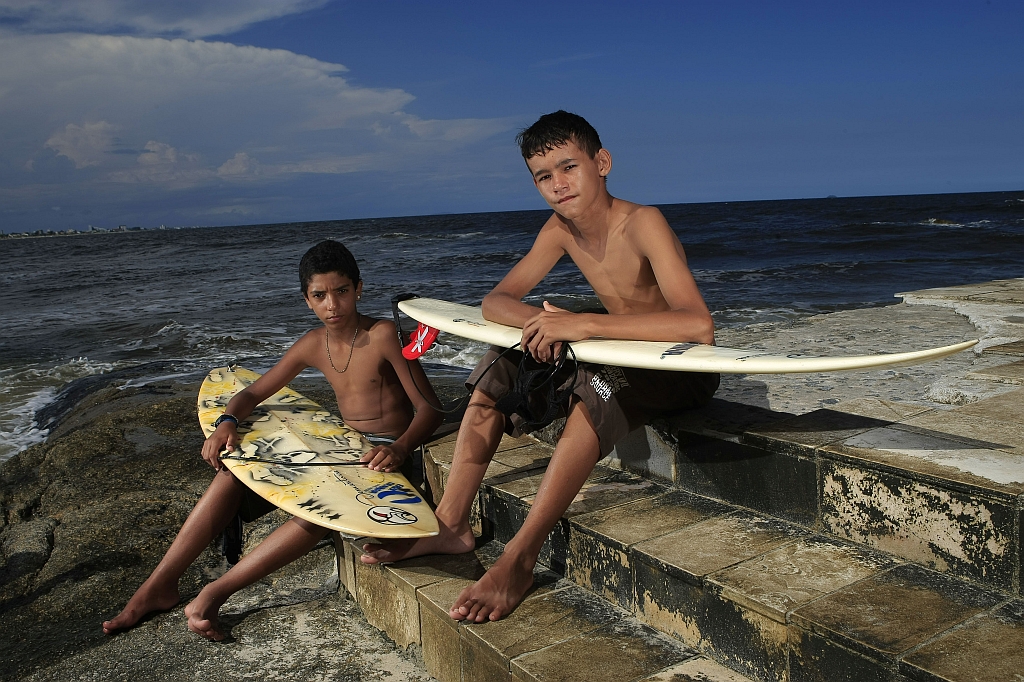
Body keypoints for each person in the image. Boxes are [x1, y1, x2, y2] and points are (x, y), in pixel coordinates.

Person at [360, 110, 719, 622]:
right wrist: (543, 324)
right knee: (501, 364)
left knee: (593, 391)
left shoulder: (643, 222)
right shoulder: (560, 229)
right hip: (613, 348)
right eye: (543, 176)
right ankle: (451, 523)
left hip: (677, 368)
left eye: (569, 167)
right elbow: (496, 301)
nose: (557, 185)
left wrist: (583, 324)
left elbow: (695, 324)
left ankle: (519, 559)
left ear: (602, 162)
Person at [103, 240, 442, 640]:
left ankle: (215, 592)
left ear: (359, 289)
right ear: (307, 300)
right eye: (320, 296)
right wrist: (227, 420)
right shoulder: (313, 344)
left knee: (319, 508)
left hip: (387, 454)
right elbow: (251, 393)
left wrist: (399, 447)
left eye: (342, 292)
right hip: (343, 445)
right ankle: (158, 585)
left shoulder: (383, 334)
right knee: (232, 475)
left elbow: (430, 410)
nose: (332, 304)